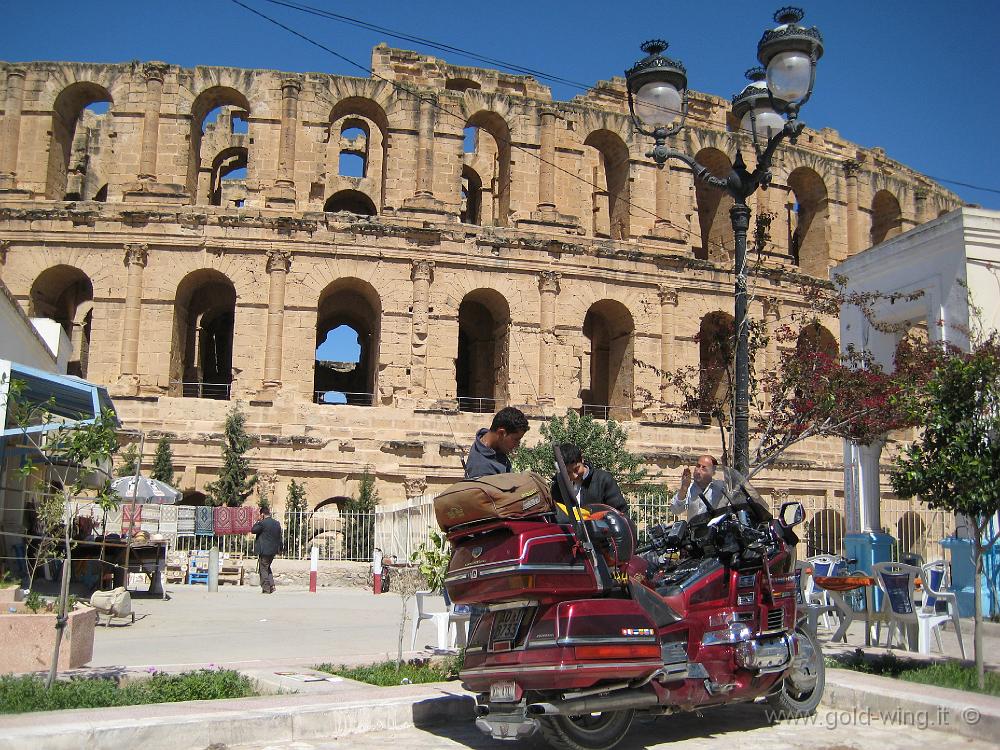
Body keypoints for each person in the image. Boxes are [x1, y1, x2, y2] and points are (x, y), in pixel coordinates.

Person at [550, 443, 628, 514]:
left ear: (582, 460)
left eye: (576, 469)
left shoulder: (603, 480)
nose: (574, 476)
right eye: (568, 473)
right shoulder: (559, 486)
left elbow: (620, 512)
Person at [464, 406, 529, 479]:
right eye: (516, 439)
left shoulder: (496, 444)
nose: (517, 445)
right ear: (501, 433)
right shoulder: (482, 469)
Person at [670, 454, 727, 521]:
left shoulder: (720, 488)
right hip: (693, 530)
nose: (698, 471)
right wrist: (684, 488)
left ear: (712, 472)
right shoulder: (689, 488)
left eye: (704, 468)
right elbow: (675, 510)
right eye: (698, 466)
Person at [251, 507, 282, 594]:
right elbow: (280, 537)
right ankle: (272, 586)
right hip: (273, 550)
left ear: (262, 514)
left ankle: (266, 588)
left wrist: (258, 521)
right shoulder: (276, 523)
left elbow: (253, 530)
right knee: (267, 567)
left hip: (264, 550)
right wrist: (280, 549)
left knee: (263, 569)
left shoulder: (262, 523)